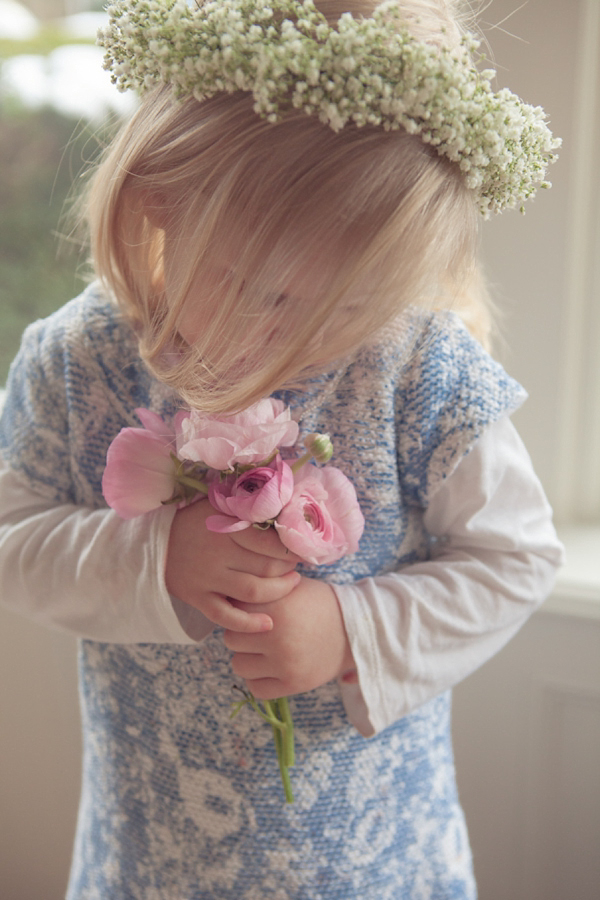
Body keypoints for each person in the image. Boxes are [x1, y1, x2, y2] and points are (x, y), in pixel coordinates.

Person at [0, 0, 564, 897]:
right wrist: (154, 558)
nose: (298, 336)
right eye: (256, 290)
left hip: (378, 866)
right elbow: (11, 540)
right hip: (153, 862)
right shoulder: (80, 362)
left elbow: (516, 559)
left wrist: (352, 631)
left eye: (344, 305)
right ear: (161, 202)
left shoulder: (419, 369)